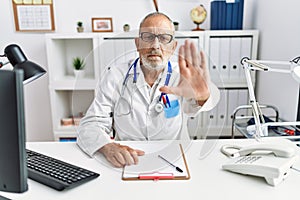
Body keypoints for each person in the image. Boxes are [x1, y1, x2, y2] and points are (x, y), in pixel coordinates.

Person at [77, 12, 220, 168]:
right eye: (148, 37)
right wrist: (108, 147)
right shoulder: (115, 75)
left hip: (173, 160)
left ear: (173, 47)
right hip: (127, 160)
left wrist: (203, 95)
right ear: (138, 44)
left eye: (164, 38)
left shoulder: (184, 75)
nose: (155, 45)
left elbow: (210, 100)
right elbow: (90, 125)